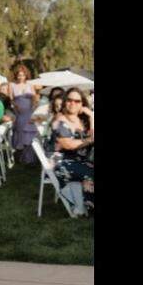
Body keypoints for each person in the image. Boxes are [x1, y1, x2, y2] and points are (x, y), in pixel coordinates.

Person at [49, 88, 94, 217]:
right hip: (62, 162)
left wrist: (91, 116)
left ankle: (84, 205)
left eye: (77, 101)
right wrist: (90, 140)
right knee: (91, 173)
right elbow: (68, 145)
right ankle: (87, 205)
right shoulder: (59, 121)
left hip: (80, 161)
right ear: (64, 102)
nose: (72, 103)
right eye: (69, 100)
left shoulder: (83, 120)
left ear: (82, 104)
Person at [6, 64, 40, 165]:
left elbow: (34, 98)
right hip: (19, 112)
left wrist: (34, 107)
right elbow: (11, 99)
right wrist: (15, 106)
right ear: (16, 75)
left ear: (26, 75)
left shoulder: (30, 84)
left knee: (30, 132)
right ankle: (20, 155)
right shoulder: (12, 85)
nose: (21, 77)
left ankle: (30, 157)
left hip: (29, 111)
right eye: (19, 75)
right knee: (20, 132)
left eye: (23, 75)